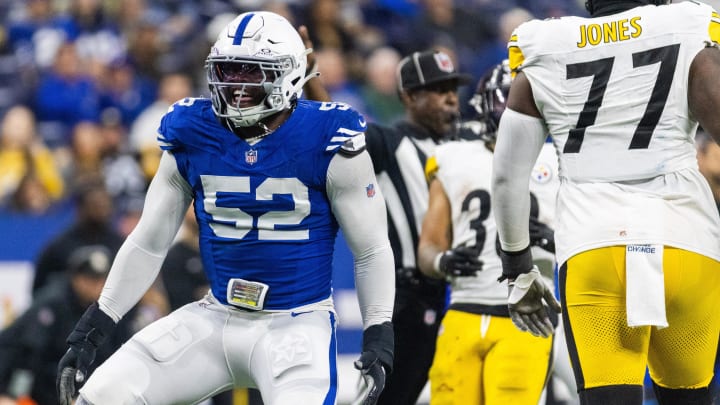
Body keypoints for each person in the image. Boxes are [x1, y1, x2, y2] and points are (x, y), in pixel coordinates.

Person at [55, 11, 395, 405]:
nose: (236, 86)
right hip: (215, 316)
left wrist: (378, 331)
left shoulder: (327, 137)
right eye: (228, 72)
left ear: (287, 74)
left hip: (296, 323)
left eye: (251, 73)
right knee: (101, 395)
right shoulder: (192, 129)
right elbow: (149, 240)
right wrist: (97, 324)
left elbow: (371, 248)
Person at [490, 1, 720, 404]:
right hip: (686, 237)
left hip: (595, 239)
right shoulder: (688, 23)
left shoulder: (546, 43)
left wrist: (517, 267)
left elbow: (508, 176)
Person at [306, 47, 473, 405]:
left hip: (462, 296)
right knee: (387, 397)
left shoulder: (467, 145)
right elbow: (337, 130)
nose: (449, 99)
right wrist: (310, 77)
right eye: (438, 90)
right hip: (407, 297)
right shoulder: (390, 143)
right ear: (409, 97)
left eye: (452, 89)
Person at [417, 61, 557, 405]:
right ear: (483, 105)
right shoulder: (453, 157)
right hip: (464, 309)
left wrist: (554, 240)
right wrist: (444, 262)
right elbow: (428, 250)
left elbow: (588, 238)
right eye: (504, 101)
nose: (513, 111)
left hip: (529, 315)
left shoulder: (560, 158)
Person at [0, 245, 134, 405]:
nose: (96, 285)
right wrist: (12, 394)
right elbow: (27, 356)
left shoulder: (109, 309)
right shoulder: (51, 304)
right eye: (89, 279)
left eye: (101, 279)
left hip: (83, 391)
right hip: (37, 390)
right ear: (75, 278)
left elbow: (115, 355)